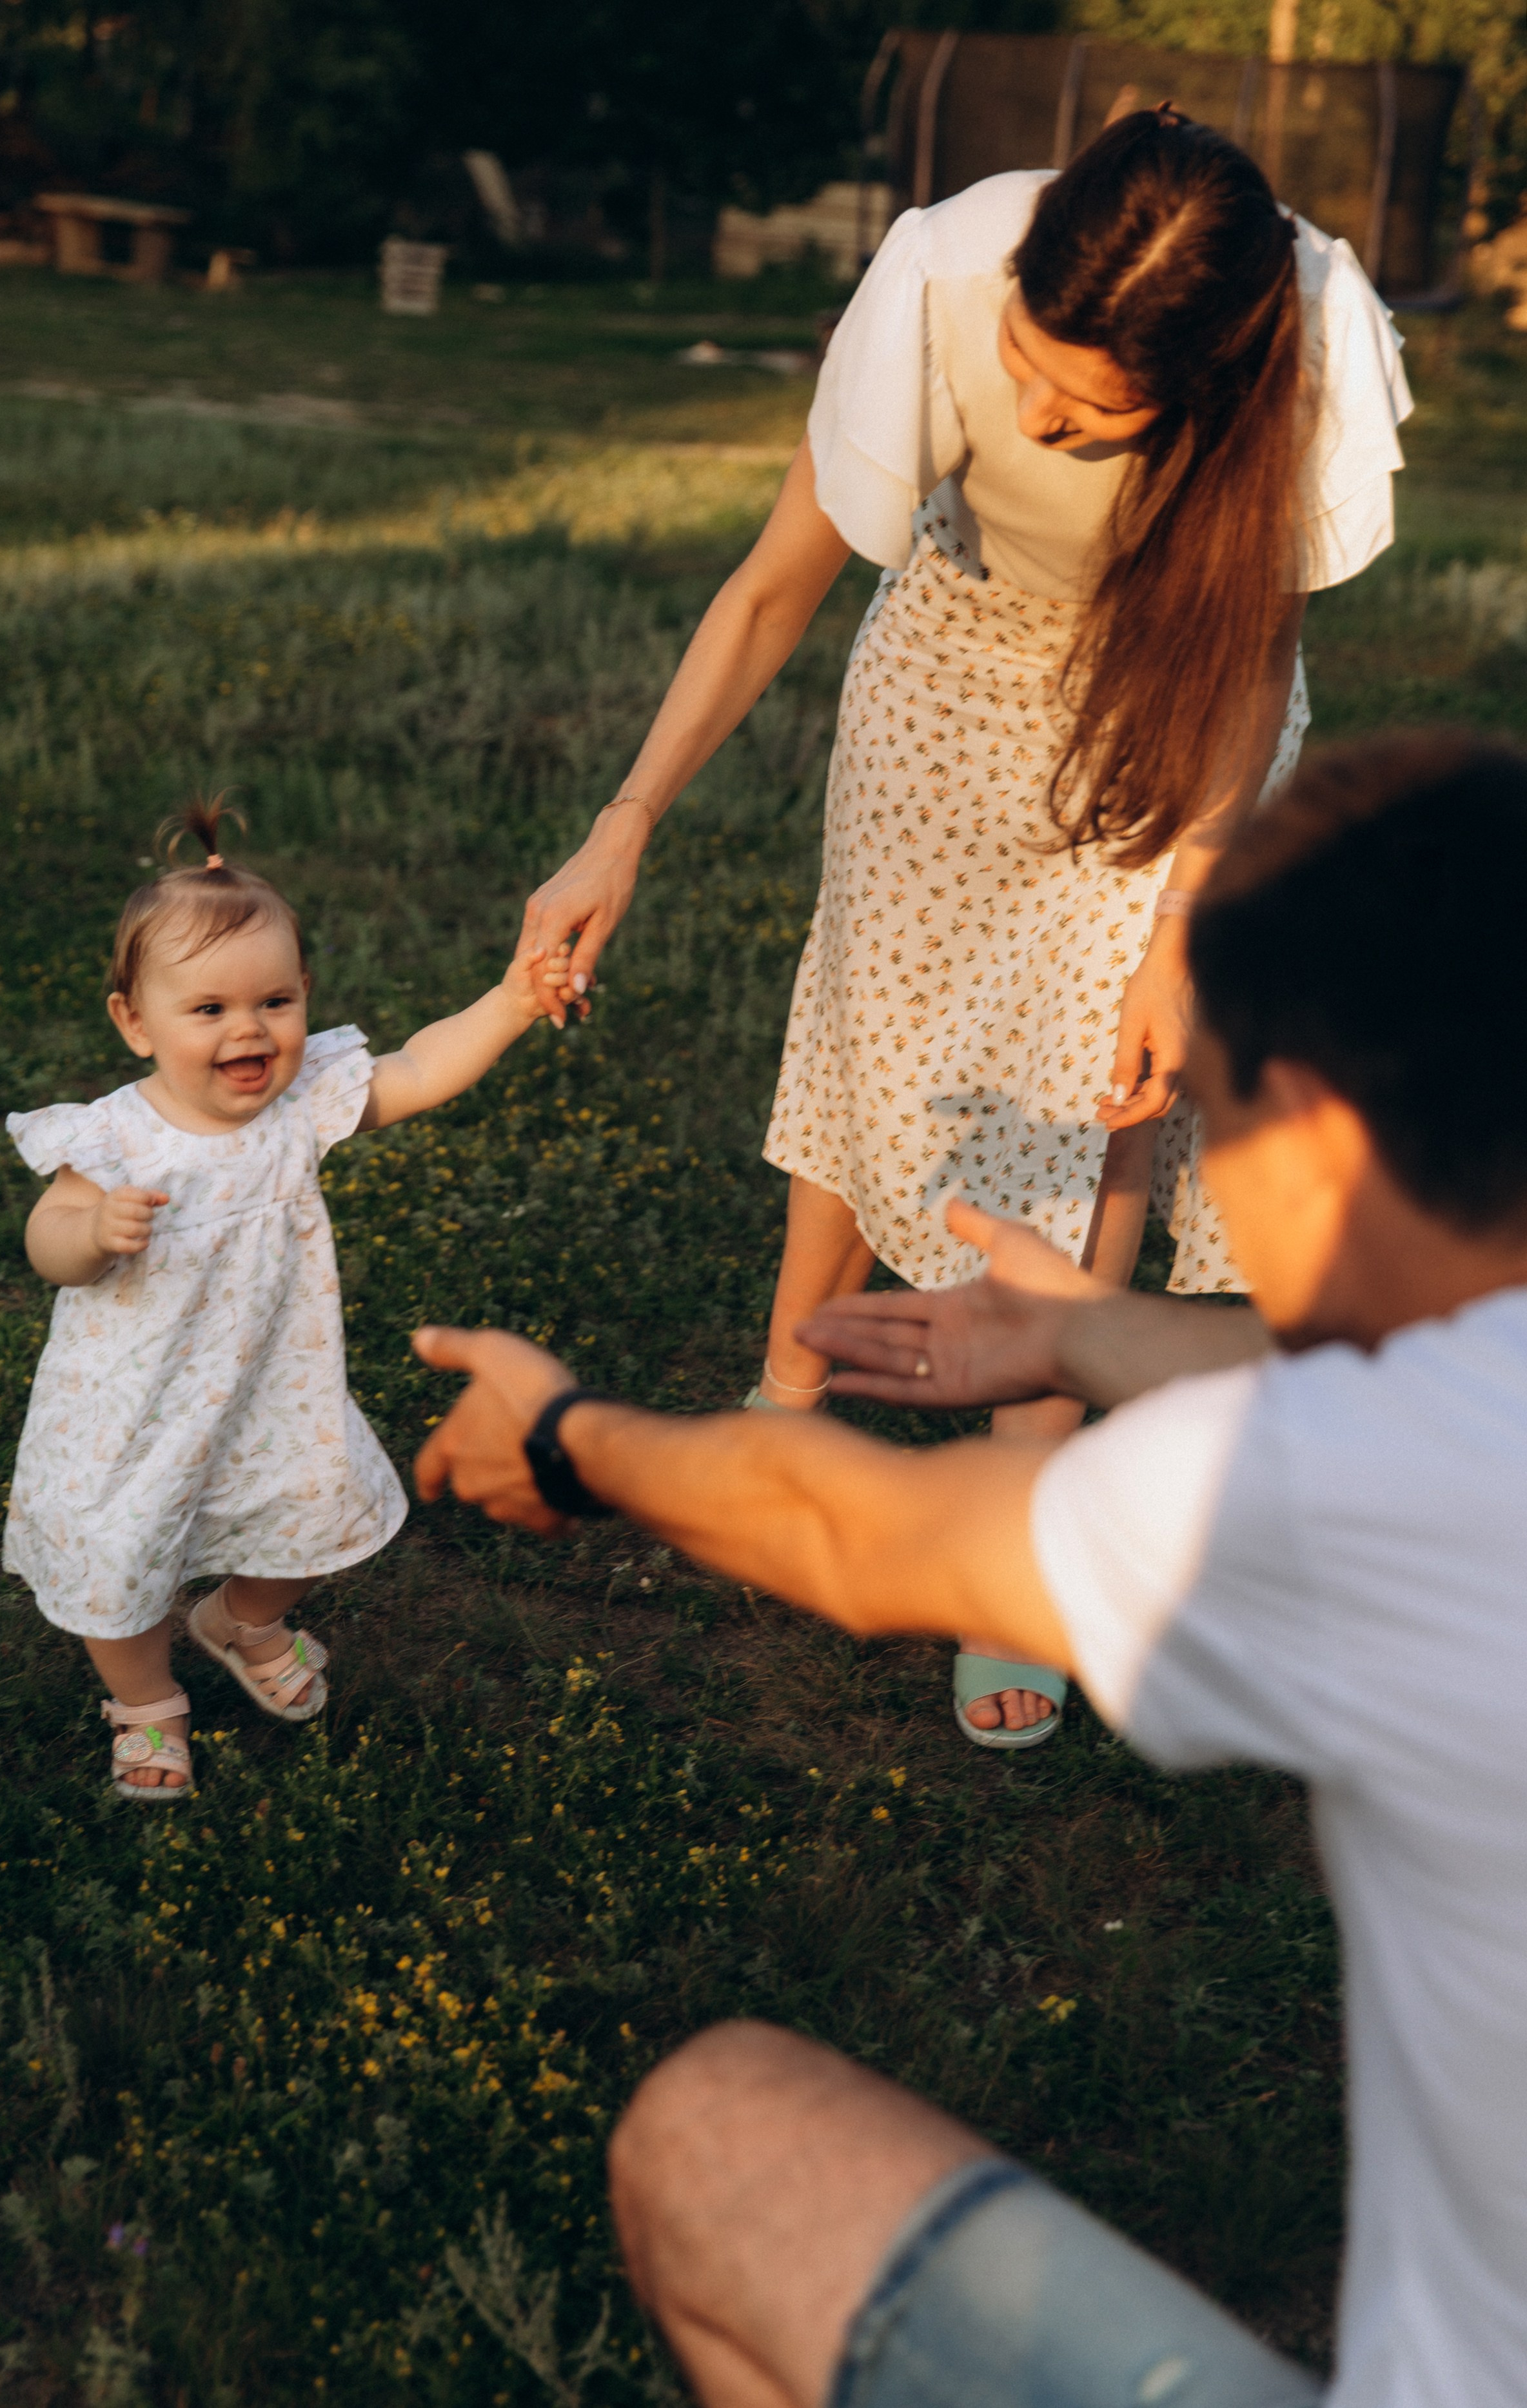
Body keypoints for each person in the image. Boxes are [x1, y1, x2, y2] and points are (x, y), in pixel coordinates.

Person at [414, 733, 1527, 2407]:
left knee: (716, 2141)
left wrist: (574, 1439)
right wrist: (1088, 1333)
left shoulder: (1347, 1490)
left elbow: (856, 1534)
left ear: (1307, 1128)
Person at [515, 108, 1412, 1748]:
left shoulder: (1305, 347)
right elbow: (770, 587)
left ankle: (1021, 1527)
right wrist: (622, 821)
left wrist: (1178, 924)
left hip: (1174, 714)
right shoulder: (935, 275)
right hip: (948, 676)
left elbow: (1248, 658)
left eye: (1091, 407)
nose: (1039, 414)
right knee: (879, 1024)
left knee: (1102, 1098)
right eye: (1026, 364)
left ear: (1202, 379)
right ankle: (786, 1396)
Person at [3, 797, 564, 1801]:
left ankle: (242, 1619)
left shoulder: (300, 1105)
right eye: (209, 1010)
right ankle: (145, 1700)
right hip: (134, 1407)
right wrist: (90, 1234)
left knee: (314, 1507)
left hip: (271, 1383)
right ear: (135, 1023)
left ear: (305, 995)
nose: (249, 1029)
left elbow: (419, 1067)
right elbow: (48, 1239)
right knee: (121, 1555)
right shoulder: (115, 1137)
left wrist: (513, 1000)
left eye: (273, 1000)